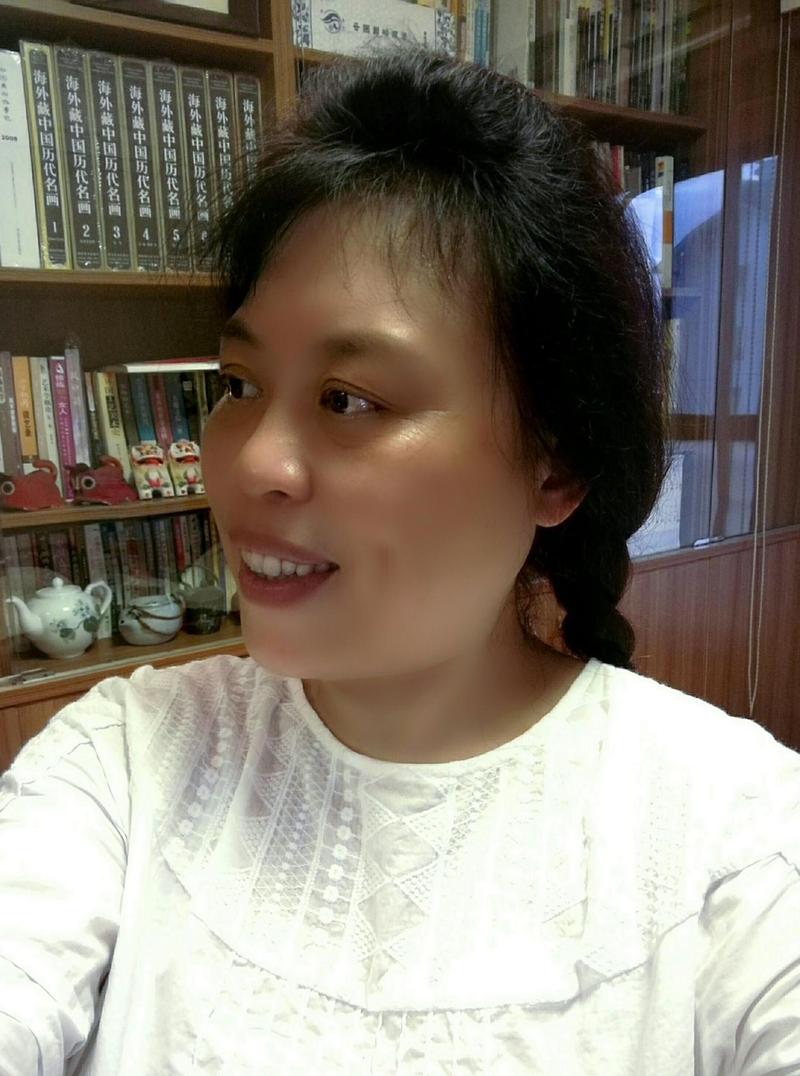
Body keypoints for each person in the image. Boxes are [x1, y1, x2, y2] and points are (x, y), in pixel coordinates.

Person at [1, 46, 798, 1076]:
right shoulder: (124, 760)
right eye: (239, 384)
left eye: (349, 400)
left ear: (555, 466)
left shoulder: (737, 833)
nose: (253, 464)